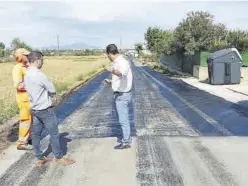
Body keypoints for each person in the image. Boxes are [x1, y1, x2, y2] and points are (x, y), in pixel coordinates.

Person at [24, 51, 75, 167]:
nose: (42, 62)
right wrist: (53, 97)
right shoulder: (39, 75)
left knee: (36, 134)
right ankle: (59, 157)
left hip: (35, 109)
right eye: (42, 60)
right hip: (45, 110)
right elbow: (51, 89)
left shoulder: (26, 74)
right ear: (37, 60)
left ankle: (40, 157)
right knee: (54, 133)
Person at [104, 44, 133, 149]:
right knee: (121, 119)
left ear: (110, 53)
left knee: (123, 120)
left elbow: (121, 74)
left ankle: (126, 142)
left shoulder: (123, 62)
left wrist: (110, 70)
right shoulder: (117, 62)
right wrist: (110, 81)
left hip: (123, 95)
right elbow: (120, 79)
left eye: (107, 55)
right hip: (118, 94)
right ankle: (126, 138)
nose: (107, 57)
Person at [12, 48, 33, 150]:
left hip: (29, 97)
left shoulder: (26, 67)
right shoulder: (18, 68)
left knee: (30, 119)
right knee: (25, 120)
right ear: (20, 56)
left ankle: (28, 138)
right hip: (23, 98)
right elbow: (18, 85)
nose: (28, 56)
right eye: (26, 55)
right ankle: (21, 143)